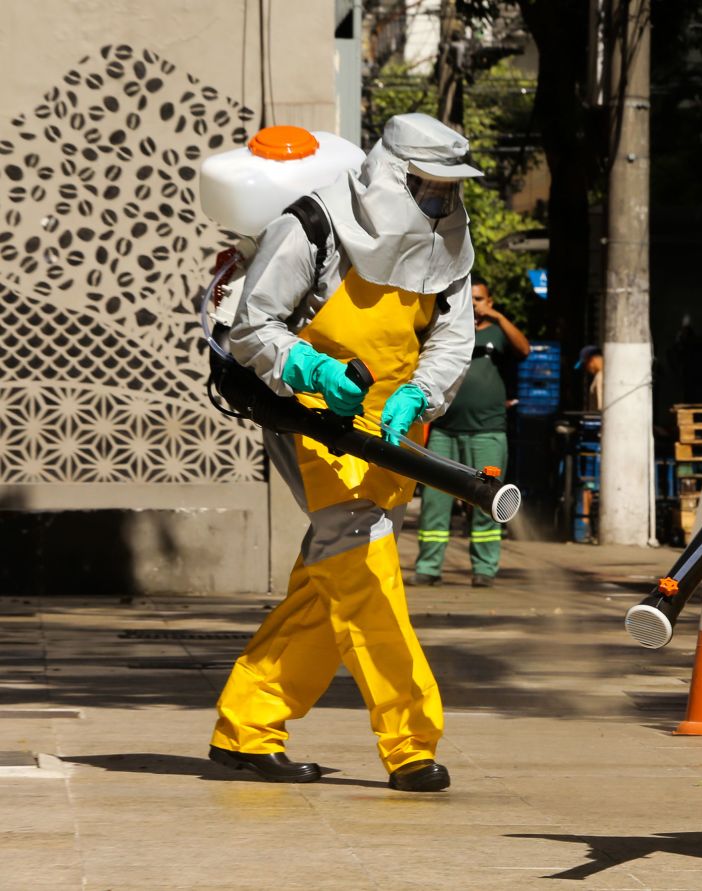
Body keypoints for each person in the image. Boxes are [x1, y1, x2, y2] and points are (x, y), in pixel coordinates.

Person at [208, 113, 480, 793]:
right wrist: (310, 369)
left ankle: (247, 723)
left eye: (449, 190)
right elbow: (253, 325)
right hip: (315, 422)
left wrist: (421, 393)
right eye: (427, 188)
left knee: (329, 579)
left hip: (394, 430)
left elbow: (451, 337)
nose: (440, 203)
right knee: (365, 570)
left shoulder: (450, 243)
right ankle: (411, 741)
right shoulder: (312, 224)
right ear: (393, 175)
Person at [413, 276, 529, 587]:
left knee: (488, 502)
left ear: (489, 303)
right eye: (471, 298)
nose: (474, 304)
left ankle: (485, 569)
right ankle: (428, 566)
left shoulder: (497, 333)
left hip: (487, 433)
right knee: (435, 503)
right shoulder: (450, 331)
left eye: (479, 299)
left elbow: (524, 349)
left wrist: (500, 318)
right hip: (444, 432)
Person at [576, 344, 603, 411]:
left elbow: (601, 407)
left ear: (592, 360)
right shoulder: (604, 375)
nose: (586, 368)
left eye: (585, 364)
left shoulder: (600, 377)